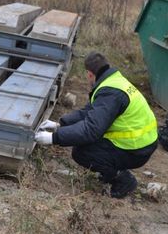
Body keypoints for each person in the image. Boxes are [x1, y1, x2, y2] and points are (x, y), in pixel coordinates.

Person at [35, 51, 158, 199]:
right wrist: (60, 125)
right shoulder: (114, 82)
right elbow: (89, 112)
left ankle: (124, 180)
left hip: (137, 150)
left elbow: (91, 129)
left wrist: (53, 138)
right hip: (143, 142)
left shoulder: (111, 93)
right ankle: (112, 170)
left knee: (82, 152)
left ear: (90, 74)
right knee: (88, 144)